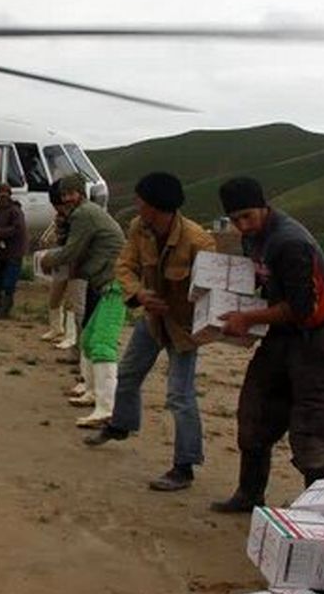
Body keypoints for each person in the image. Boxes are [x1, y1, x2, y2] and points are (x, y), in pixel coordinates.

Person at [209, 176, 324, 513]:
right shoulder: (253, 238)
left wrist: (247, 319)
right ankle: (249, 494)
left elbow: (301, 309)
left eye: (248, 216)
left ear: (264, 206)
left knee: (316, 432)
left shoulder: (290, 242)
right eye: (235, 219)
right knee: (255, 415)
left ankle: (319, 513)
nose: (242, 225)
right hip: (279, 338)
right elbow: (263, 284)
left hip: (320, 342)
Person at [84, 172, 217, 492]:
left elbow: (212, 292)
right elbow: (125, 266)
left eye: (140, 200)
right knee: (129, 374)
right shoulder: (138, 229)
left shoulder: (199, 242)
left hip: (183, 328)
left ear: (155, 207)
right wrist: (139, 294)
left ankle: (184, 466)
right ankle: (120, 425)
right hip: (152, 321)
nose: (136, 205)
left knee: (179, 396)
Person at [39, 174, 126, 427]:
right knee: (88, 337)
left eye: (70, 194)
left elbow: (72, 251)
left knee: (102, 343)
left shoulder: (83, 214)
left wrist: (48, 260)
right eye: (63, 195)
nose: (66, 199)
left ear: (80, 193)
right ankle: (92, 391)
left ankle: (107, 408)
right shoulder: (84, 213)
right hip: (105, 280)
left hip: (115, 283)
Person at [36, 181, 73, 343]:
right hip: (60, 259)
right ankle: (56, 328)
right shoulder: (59, 218)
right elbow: (50, 235)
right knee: (55, 296)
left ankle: (71, 335)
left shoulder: (76, 217)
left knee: (72, 301)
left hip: (72, 261)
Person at [0, 184, 27, 318]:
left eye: (6, 193)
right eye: (1, 193)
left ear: (10, 194)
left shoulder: (15, 211)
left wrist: (0, 232)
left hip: (14, 251)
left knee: (9, 282)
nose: (3, 195)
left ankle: (5, 311)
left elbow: (18, 229)